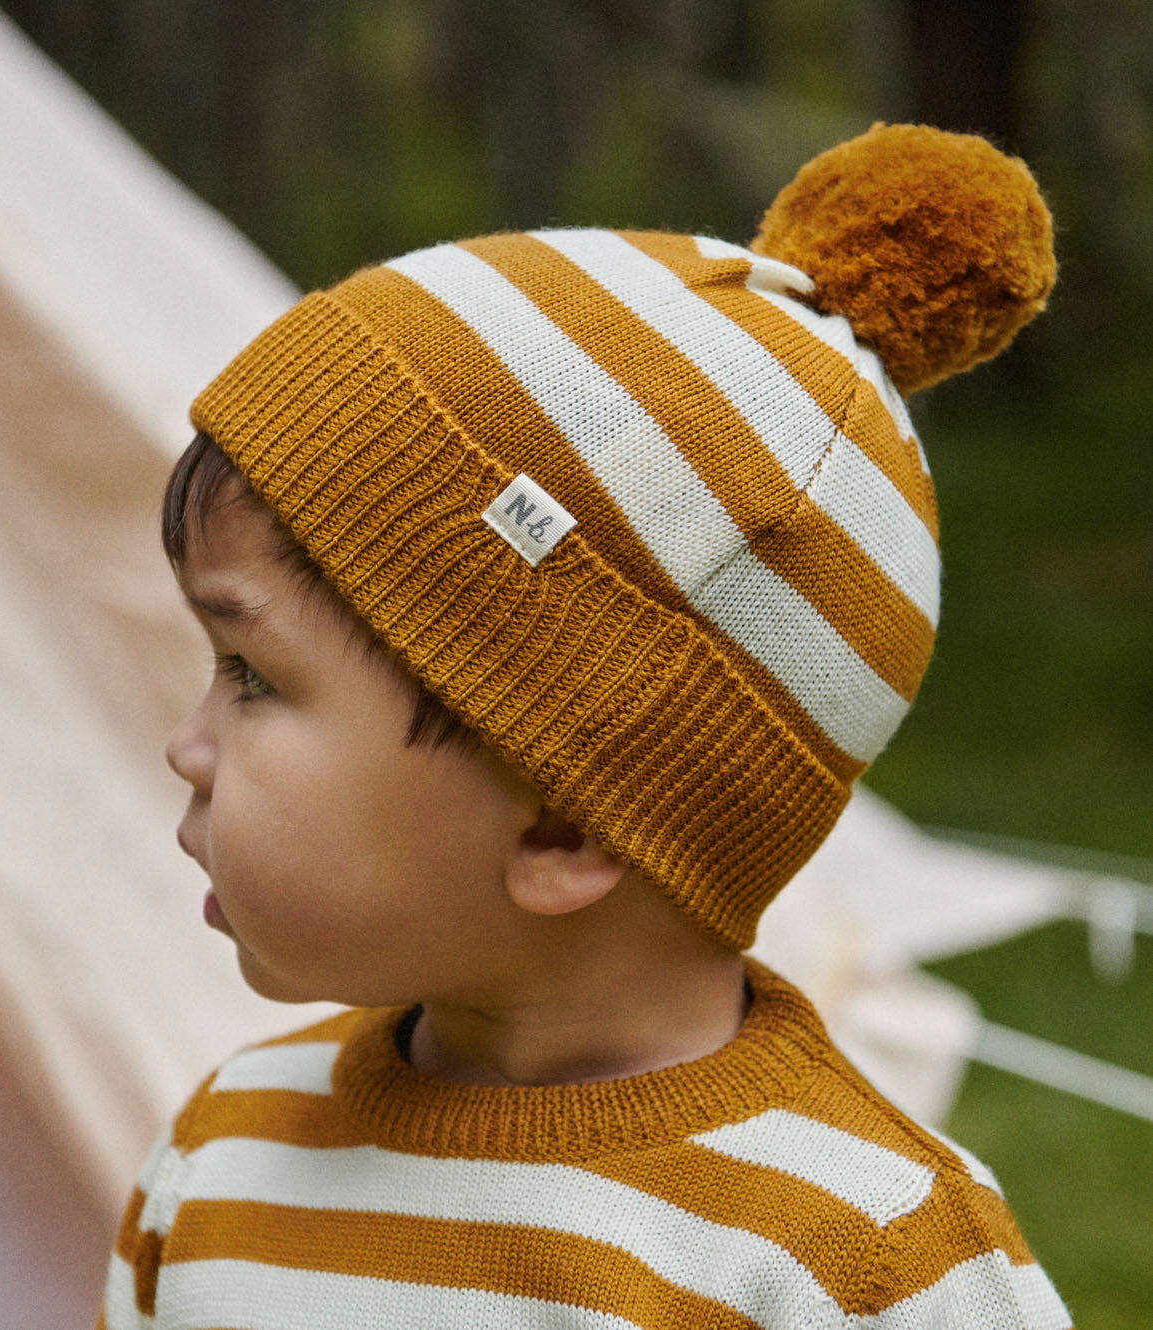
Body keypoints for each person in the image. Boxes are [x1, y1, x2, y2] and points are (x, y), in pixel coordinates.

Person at [97, 124, 1071, 1328]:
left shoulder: (860, 1263)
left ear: (563, 821)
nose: (185, 747)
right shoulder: (220, 1161)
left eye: (250, 675)